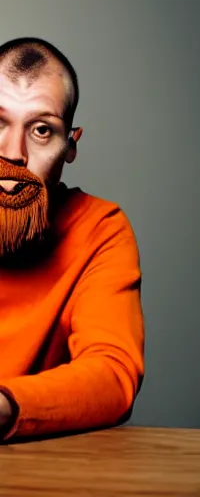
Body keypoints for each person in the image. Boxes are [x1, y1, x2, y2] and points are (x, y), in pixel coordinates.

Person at [0, 37, 145, 441]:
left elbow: (113, 374)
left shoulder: (100, 228)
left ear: (70, 146)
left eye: (42, 130)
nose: (14, 154)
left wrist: (5, 405)